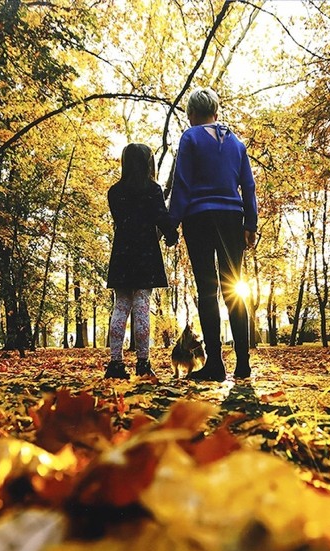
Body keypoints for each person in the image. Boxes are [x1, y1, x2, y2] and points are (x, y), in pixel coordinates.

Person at [168, 88, 257, 381]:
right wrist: (250, 223)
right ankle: (243, 364)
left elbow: (182, 183)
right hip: (233, 217)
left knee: (208, 291)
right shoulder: (237, 143)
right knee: (235, 288)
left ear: (192, 114)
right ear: (215, 113)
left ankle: (216, 365)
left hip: (199, 217)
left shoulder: (190, 137)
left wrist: (171, 222)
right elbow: (249, 186)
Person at [104, 143, 178, 379]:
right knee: (142, 307)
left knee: (120, 306)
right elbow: (160, 216)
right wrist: (171, 234)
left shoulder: (114, 192)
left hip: (122, 253)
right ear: (148, 164)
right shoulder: (152, 189)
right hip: (145, 253)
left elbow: (120, 219)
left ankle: (115, 364)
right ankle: (143, 364)